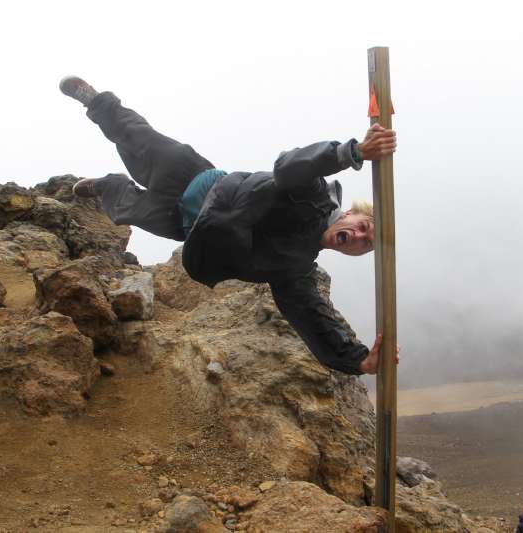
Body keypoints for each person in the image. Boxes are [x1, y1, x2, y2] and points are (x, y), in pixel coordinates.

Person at [59, 76, 399, 376]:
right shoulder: (313, 194)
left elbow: (310, 316)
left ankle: (107, 186)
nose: (358, 237)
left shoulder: (295, 270)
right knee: (136, 137)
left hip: (189, 228)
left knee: (127, 208)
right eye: (363, 226)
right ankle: (95, 101)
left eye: (365, 243)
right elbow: (288, 166)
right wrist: (352, 153)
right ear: (350, 213)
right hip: (197, 178)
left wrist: (357, 360)